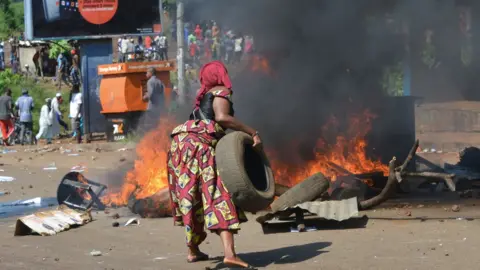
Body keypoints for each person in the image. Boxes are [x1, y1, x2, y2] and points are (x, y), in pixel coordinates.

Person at [167, 61, 261, 269]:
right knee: (219, 195)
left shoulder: (202, 99)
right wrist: (252, 132)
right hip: (201, 147)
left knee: (190, 197)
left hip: (179, 147)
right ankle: (230, 254)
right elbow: (222, 118)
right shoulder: (221, 91)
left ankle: (193, 251)